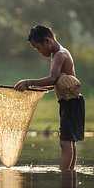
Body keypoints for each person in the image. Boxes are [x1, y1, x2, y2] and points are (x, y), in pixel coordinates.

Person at [14, 25, 85, 170]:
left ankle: (65, 174)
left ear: (47, 41)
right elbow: (54, 83)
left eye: (38, 48)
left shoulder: (60, 54)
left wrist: (29, 82)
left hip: (71, 103)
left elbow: (52, 79)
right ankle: (70, 175)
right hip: (70, 102)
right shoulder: (57, 54)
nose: (39, 52)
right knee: (68, 141)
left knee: (65, 142)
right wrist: (33, 89)